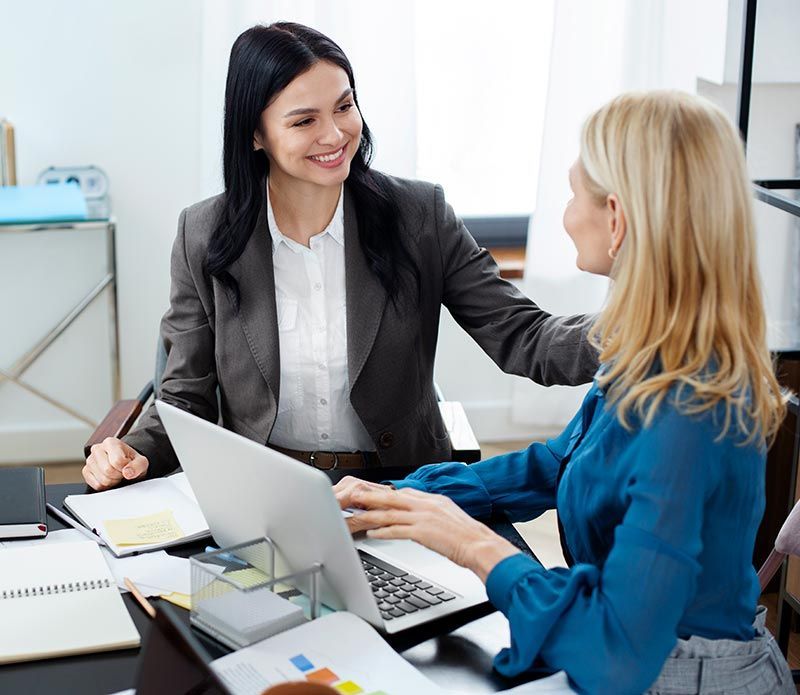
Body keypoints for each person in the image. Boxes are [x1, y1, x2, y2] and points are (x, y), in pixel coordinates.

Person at [334, 91, 793, 694]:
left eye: (574, 193)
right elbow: (562, 463)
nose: (566, 215)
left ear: (618, 217)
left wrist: (472, 544)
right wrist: (405, 498)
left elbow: (617, 653)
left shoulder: (690, 409)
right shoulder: (653, 350)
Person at [82, 22, 597, 491]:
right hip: (266, 490)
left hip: (402, 485)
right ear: (256, 134)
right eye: (304, 120)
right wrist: (131, 452)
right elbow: (184, 398)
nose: (335, 135)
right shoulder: (204, 233)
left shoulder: (419, 215)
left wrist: (644, 327)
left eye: (344, 106)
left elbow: (524, 337)